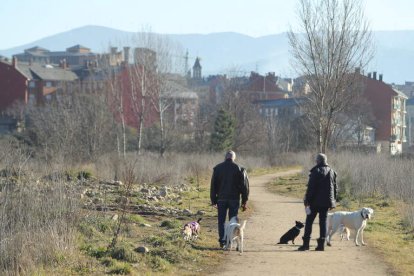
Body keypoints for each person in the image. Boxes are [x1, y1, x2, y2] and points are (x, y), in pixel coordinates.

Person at [298, 153, 337, 251]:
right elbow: (335, 188)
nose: (315, 161)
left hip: (314, 202)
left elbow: (311, 188)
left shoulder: (315, 171)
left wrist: (307, 200)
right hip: (326, 203)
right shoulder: (332, 171)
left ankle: (306, 245)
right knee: (323, 222)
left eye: (316, 160)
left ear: (318, 161)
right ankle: (321, 246)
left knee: (309, 222)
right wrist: (333, 202)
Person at [210, 150, 249, 248]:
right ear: (233, 158)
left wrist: (213, 200)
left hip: (221, 199)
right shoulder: (240, 169)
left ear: (225, 157)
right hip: (234, 199)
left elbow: (213, 185)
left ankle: (222, 241)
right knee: (233, 221)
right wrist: (244, 201)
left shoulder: (217, 168)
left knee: (221, 221)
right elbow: (245, 187)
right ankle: (230, 241)